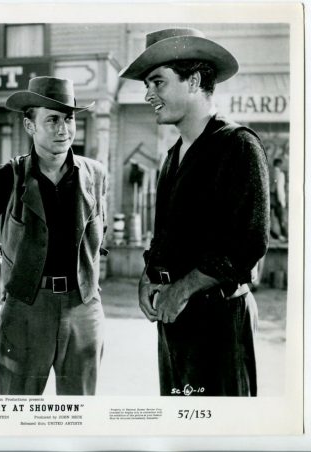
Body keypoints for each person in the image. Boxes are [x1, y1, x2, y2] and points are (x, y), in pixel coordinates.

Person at [120, 28, 269, 396]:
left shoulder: (238, 145)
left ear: (195, 80)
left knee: (220, 426)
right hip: (175, 320)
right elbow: (167, 235)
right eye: (147, 85)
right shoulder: (172, 157)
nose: (148, 94)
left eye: (158, 82)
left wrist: (182, 289)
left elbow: (249, 243)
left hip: (220, 321)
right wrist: (148, 275)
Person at [0, 76, 107, 396]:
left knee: (79, 411)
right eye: (52, 120)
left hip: (83, 306)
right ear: (29, 125)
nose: (63, 129)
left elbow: (97, 236)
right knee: (18, 408)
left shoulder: (95, 174)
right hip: (26, 307)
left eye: (68, 119)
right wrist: (1, 273)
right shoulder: (7, 176)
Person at [270, 157, 288, 241]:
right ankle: (284, 235)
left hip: (270, 197)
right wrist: (282, 201)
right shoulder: (280, 174)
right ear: (279, 164)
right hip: (277, 198)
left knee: (270, 219)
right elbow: (279, 188)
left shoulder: (268, 172)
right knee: (281, 218)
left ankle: (274, 235)